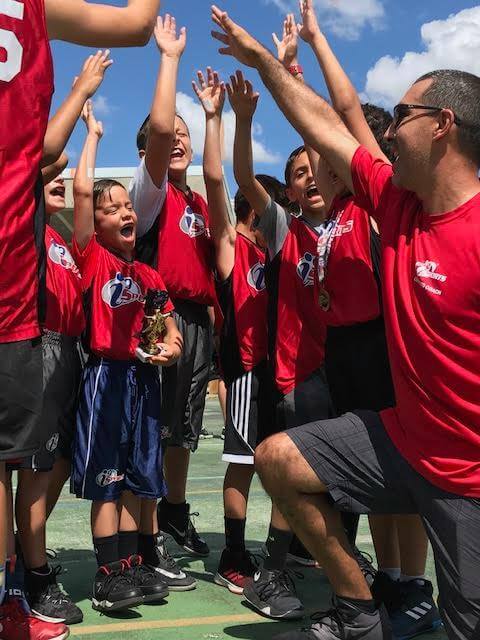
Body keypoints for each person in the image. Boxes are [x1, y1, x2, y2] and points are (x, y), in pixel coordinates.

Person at [212, 5, 480, 639]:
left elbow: (349, 119)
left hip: (468, 474)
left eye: (405, 116)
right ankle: (362, 614)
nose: (388, 133)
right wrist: (264, 63)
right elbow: (327, 123)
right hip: (403, 443)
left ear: (443, 125)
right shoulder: (395, 201)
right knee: (277, 459)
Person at [0, 0, 160, 635]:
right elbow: (52, 157)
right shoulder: (48, 232)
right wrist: (84, 110)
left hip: (63, 354)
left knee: (51, 468)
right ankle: (28, 582)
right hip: (34, 341)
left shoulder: (67, 243)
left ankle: (28, 581)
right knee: (29, 472)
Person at [294, 5, 439, 637]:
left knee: (402, 481)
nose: (317, 165)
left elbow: (345, 112)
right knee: (374, 482)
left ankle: (412, 585)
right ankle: (391, 582)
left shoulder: (380, 208)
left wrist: (318, 41)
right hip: (344, 352)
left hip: (383, 347)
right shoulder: (322, 224)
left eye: (326, 158)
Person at [227, 68, 334, 620]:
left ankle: (334, 565)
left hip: (348, 371)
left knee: (343, 485)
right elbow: (244, 177)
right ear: (288, 192)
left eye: (316, 166)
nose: (309, 176)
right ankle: (270, 572)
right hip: (298, 374)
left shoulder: (355, 222)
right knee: (293, 475)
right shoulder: (285, 231)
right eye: (297, 172)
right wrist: (244, 119)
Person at [70, 101, 182, 613]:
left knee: (139, 476)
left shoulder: (151, 278)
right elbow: (80, 191)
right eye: (110, 208)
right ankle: (107, 574)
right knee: (108, 479)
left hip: (142, 380)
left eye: (127, 206)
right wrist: (92, 134)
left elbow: (168, 326)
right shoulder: (93, 257)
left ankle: (132, 566)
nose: (124, 213)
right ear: (94, 224)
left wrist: (169, 346)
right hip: (106, 378)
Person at [193, 66, 286, 594]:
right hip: (247, 369)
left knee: (287, 463)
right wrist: (215, 116)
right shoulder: (236, 245)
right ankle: (233, 553)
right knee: (243, 463)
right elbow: (215, 182)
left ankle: (281, 554)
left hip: (287, 370)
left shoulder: (282, 248)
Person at [129, 14, 215, 558]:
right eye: (171, 137)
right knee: (158, 425)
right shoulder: (150, 194)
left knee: (185, 426)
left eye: (188, 136)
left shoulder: (199, 202)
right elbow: (160, 131)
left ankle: (176, 511)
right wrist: (169, 58)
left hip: (199, 319)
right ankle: (150, 522)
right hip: (163, 315)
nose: (179, 140)